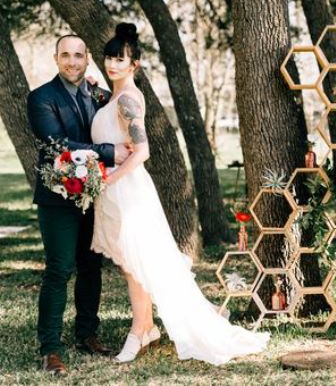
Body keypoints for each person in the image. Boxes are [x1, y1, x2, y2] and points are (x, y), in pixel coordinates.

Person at [91, 23, 269, 365]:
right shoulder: (113, 95)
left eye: (120, 59)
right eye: (109, 57)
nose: (112, 64)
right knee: (131, 265)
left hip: (127, 190)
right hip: (113, 190)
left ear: (134, 65)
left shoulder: (128, 98)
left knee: (138, 264)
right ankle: (144, 328)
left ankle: (140, 330)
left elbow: (142, 151)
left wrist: (109, 181)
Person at [27, 35, 132, 375]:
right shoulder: (41, 98)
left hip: (94, 194)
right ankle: (50, 349)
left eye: (78, 55)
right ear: (56, 58)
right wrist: (108, 152)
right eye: (65, 55)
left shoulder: (98, 95)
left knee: (91, 266)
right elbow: (57, 144)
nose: (72, 61)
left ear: (88, 59)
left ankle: (87, 334)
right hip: (58, 198)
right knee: (59, 269)